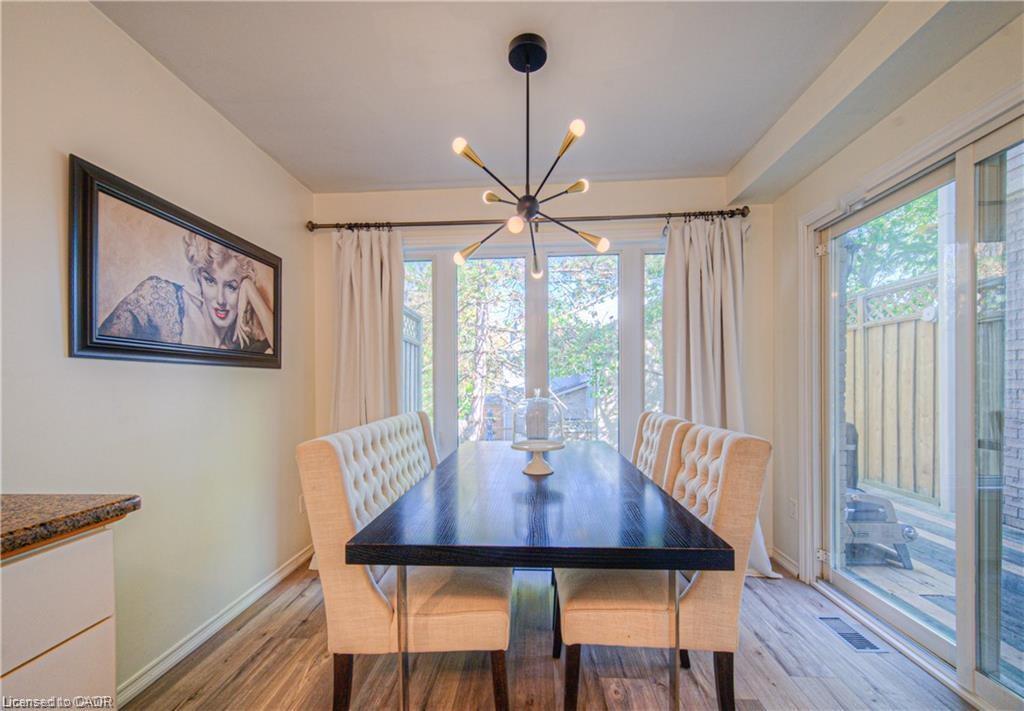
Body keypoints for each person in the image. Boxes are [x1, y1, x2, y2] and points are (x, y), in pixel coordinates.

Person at [99, 232, 273, 353]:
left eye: (231, 287)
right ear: (199, 279)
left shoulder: (241, 343)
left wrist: (250, 288)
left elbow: (279, 349)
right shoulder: (159, 299)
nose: (220, 299)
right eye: (210, 281)